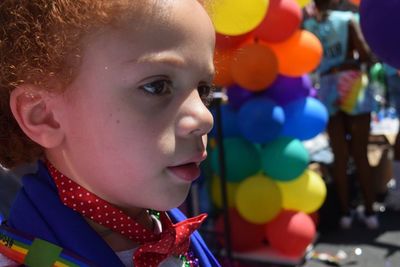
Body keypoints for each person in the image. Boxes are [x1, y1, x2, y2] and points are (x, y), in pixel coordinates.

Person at [0, 0, 220, 266]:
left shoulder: (173, 234)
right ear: (45, 116)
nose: (204, 117)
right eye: (157, 86)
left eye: (203, 90)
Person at [304, 0, 379, 229]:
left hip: (327, 87)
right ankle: (369, 211)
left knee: (339, 155)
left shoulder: (309, 26)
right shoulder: (347, 20)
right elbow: (366, 54)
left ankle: (345, 213)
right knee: (360, 153)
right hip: (351, 84)